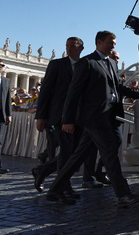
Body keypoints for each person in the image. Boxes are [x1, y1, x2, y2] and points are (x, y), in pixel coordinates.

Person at [45, 31, 139, 206]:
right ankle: (123, 195)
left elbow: (118, 86)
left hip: (110, 116)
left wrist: (138, 95)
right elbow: (73, 92)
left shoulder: (111, 64)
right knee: (110, 154)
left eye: (114, 43)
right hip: (94, 118)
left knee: (78, 157)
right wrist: (67, 119)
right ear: (99, 42)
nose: (113, 45)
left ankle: (54, 190)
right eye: (110, 42)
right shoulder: (87, 62)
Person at [32, 37, 104, 194]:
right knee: (67, 152)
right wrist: (40, 116)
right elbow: (45, 91)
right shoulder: (57, 64)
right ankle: (63, 188)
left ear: (81, 48)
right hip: (60, 116)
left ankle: (43, 171)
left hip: (80, 117)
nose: (69, 49)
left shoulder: (86, 64)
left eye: (73, 46)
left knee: (74, 154)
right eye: (67, 46)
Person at [0, 60, 12, 174]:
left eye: (2, 65)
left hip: (1, 115)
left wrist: (9, 114)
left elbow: (8, 99)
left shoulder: (6, 81)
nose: (0, 67)